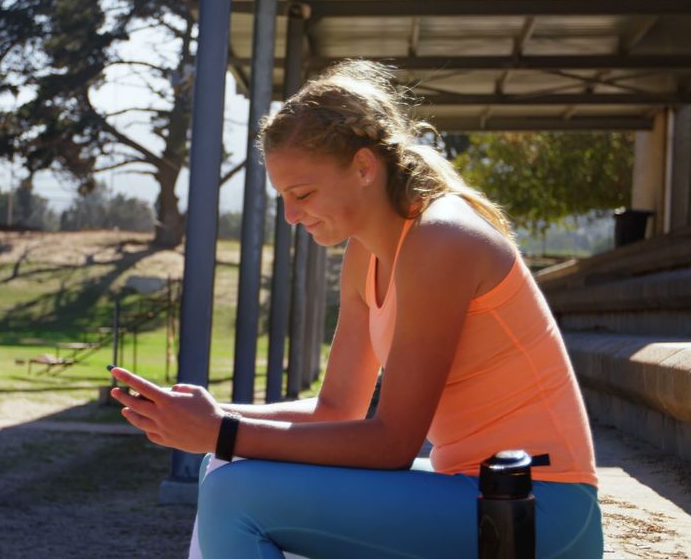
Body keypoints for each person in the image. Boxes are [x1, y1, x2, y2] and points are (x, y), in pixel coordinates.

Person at [108, 60, 603, 559]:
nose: (292, 216)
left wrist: (224, 430)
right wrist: (212, 416)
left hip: (540, 510)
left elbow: (393, 444)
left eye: (302, 193)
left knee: (233, 493)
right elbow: (336, 410)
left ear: (365, 167)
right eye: (283, 197)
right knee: (221, 466)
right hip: (476, 490)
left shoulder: (440, 238)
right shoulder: (366, 252)